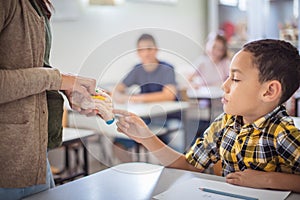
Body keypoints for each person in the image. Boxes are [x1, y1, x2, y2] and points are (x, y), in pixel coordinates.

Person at [114, 39, 300, 192]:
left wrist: (269, 180)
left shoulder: (282, 133)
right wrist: (146, 137)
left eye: (235, 79)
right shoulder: (224, 124)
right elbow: (188, 165)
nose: (224, 86)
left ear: (269, 91)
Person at [0, 1, 113, 199]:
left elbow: (33, 67)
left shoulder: (35, 5)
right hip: (10, 161)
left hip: (34, 153)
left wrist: (66, 87)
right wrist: (60, 80)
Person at [111, 33, 179, 162]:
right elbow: (117, 89)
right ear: (138, 52)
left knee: (167, 148)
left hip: (168, 117)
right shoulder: (137, 69)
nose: (146, 53)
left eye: (149, 49)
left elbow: (168, 95)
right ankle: (133, 172)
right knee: (118, 145)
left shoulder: (167, 69)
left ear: (156, 50)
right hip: (146, 117)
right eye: (142, 50)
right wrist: (119, 95)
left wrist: (135, 98)